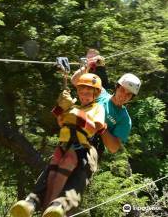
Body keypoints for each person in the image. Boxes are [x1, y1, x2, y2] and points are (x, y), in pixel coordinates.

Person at [10, 50, 141, 217]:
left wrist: (102, 129)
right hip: (74, 135)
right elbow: (76, 81)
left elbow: (114, 147)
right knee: (54, 166)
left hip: (93, 146)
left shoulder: (124, 119)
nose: (124, 96)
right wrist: (88, 65)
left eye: (129, 95)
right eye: (123, 90)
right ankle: (31, 201)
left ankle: (61, 205)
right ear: (117, 87)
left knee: (82, 171)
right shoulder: (100, 94)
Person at [10, 73, 106, 217]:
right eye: (81, 92)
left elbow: (94, 128)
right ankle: (32, 201)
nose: (84, 96)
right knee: (52, 172)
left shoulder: (97, 108)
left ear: (95, 93)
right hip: (65, 144)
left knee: (66, 171)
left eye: (88, 93)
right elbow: (60, 121)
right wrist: (62, 106)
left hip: (81, 146)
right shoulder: (75, 106)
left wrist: (76, 114)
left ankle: (57, 205)